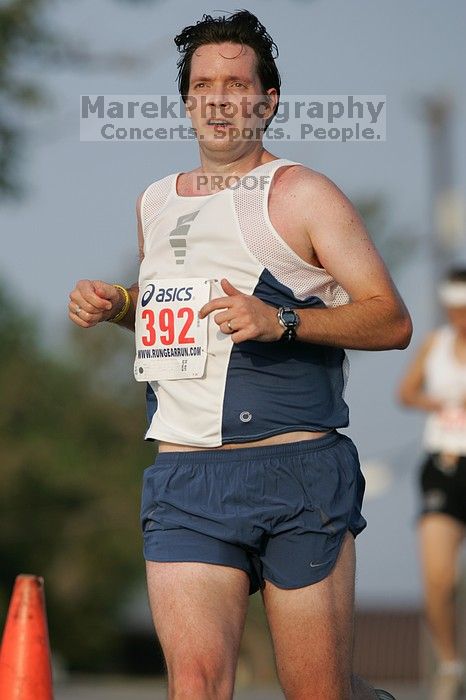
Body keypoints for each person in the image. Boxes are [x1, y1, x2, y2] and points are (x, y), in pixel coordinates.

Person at [69, 11, 411, 700]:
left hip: (296, 474)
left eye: (236, 83)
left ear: (267, 100)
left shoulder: (302, 193)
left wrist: (281, 319)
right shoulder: (155, 203)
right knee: (195, 686)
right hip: (186, 478)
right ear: (187, 100)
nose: (219, 98)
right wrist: (121, 308)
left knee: (316, 691)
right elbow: (182, 321)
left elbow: (391, 319)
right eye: (203, 85)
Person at [398, 268, 466, 700]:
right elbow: (406, 393)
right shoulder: (436, 344)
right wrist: (437, 402)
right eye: (454, 310)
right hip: (443, 464)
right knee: (438, 577)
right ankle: (449, 661)